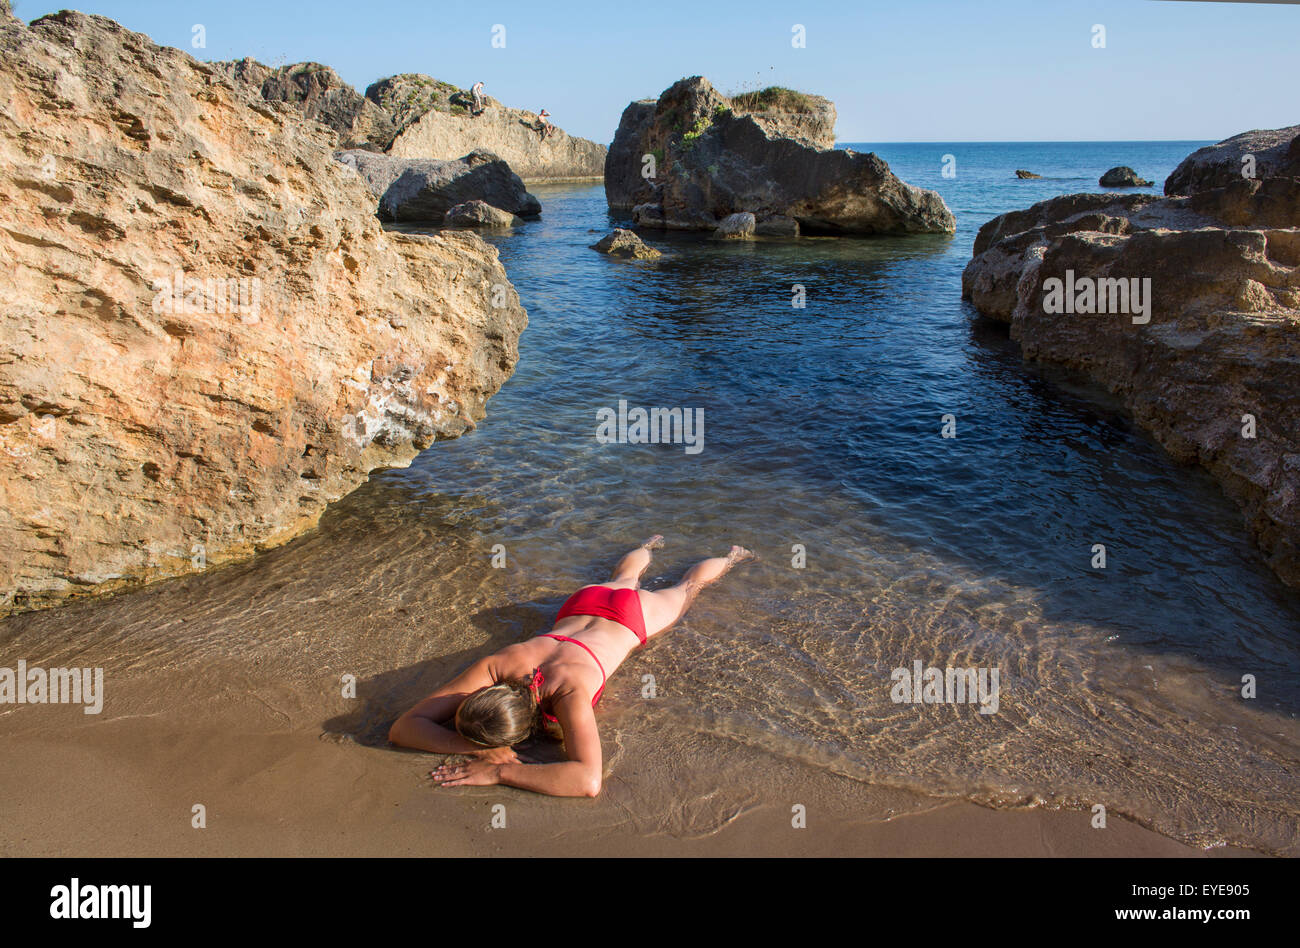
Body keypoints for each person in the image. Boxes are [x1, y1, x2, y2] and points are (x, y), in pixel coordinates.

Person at [388, 537, 754, 797]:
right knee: (629, 579)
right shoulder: (499, 666)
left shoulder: (569, 693)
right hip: (582, 605)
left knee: (690, 586)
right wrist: (472, 746)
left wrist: (498, 770)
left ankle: (731, 556)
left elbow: (587, 781)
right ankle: (654, 546)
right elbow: (402, 729)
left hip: (632, 619)